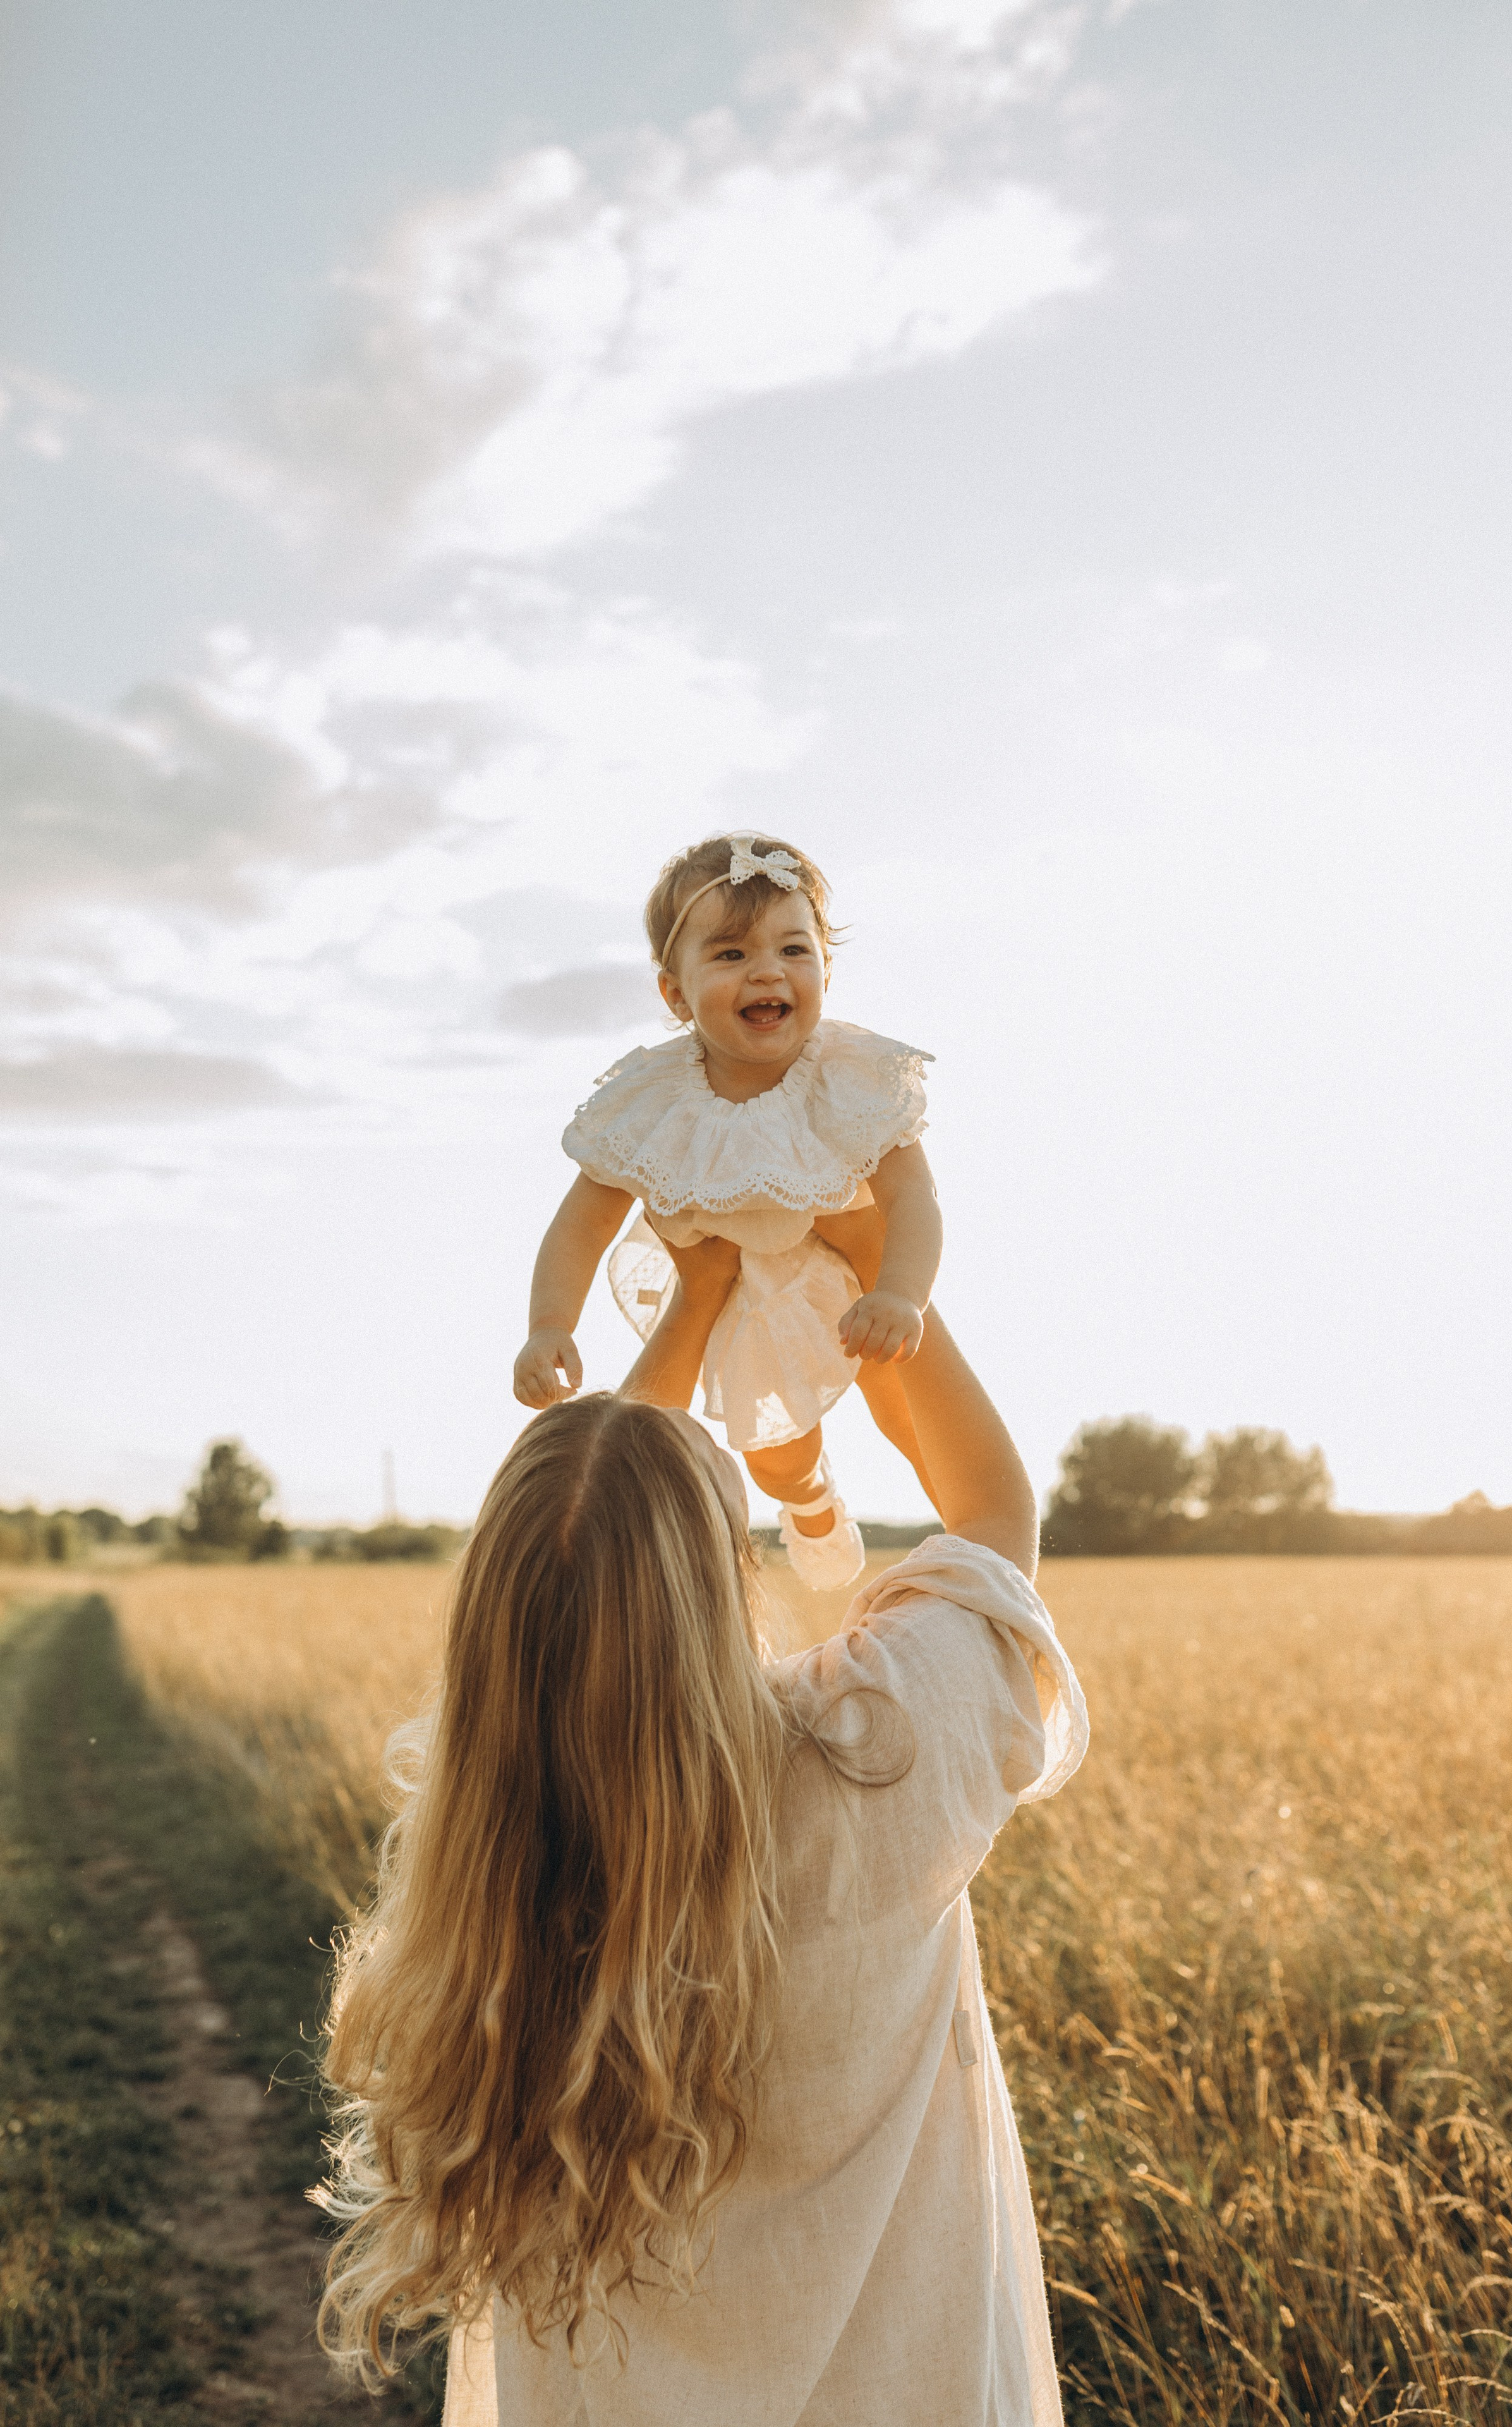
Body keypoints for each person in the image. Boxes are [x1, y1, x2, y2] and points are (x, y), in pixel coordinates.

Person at [318, 1239, 1088, 2426]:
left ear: (488, 1621)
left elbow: (594, 1538)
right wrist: (864, 1257)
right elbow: (993, 1516)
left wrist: (702, 1295)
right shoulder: (875, 1752)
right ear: (727, 1576)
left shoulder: (495, 1843)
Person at [512, 832, 943, 1590]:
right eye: (731, 955)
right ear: (674, 994)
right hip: (744, 1298)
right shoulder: (651, 1100)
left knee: (915, 1416)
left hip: (860, 1284)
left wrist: (901, 1293)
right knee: (777, 1451)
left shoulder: (849, 1078)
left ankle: (969, 1542)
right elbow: (582, 1221)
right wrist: (550, 1325)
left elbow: (915, 1198)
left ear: (825, 969)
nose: (768, 971)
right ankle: (811, 1503)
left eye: (793, 949)